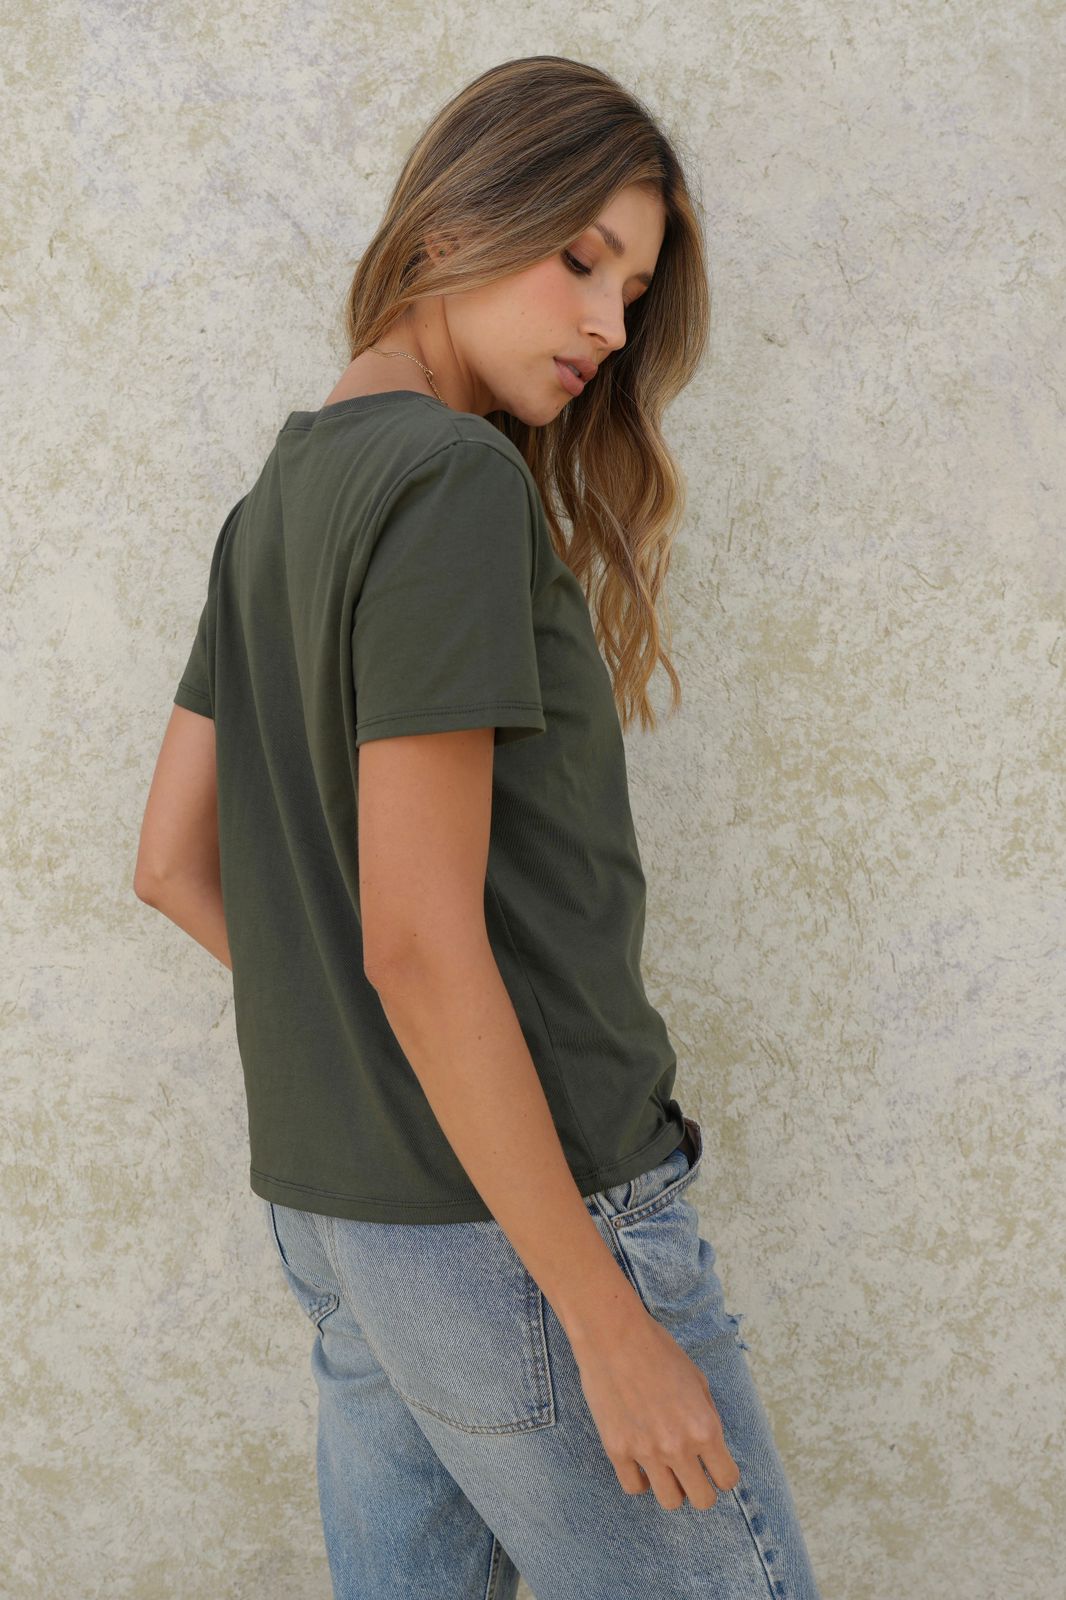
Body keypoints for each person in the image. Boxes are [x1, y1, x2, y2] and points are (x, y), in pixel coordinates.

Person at [134, 53, 823, 1600]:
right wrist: (605, 1321)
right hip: (529, 1221)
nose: (609, 325)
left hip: (346, 1226)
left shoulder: (275, 504)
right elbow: (414, 941)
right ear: (450, 223)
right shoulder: (447, 479)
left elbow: (170, 864)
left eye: (631, 291)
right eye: (580, 259)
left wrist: (373, 1061)